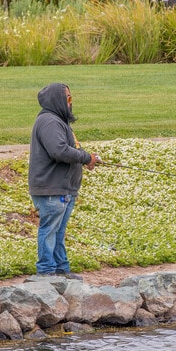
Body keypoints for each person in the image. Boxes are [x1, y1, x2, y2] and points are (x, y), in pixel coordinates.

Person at [28, 83, 100, 280]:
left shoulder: (57, 121)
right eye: (67, 97)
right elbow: (58, 150)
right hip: (52, 189)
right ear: (56, 100)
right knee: (49, 230)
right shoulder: (50, 122)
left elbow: (67, 149)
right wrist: (86, 158)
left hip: (64, 188)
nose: (70, 101)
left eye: (70, 97)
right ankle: (46, 272)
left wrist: (88, 159)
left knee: (58, 232)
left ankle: (61, 270)